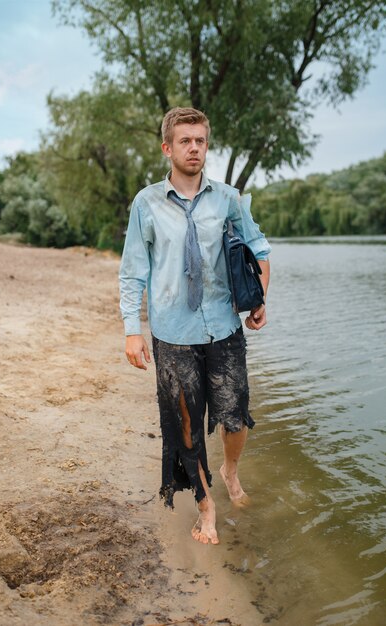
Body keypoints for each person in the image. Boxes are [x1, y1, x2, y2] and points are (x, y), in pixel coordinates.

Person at [119, 107, 271, 545]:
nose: (194, 148)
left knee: (236, 417)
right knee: (185, 426)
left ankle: (231, 470)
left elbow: (259, 247)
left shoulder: (228, 199)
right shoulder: (146, 203)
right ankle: (207, 507)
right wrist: (133, 328)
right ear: (168, 148)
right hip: (173, 334)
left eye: (200, 141)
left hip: (223, 327)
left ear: (207, 145)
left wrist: (261, 297)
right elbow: (133, 272)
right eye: (185, 141)